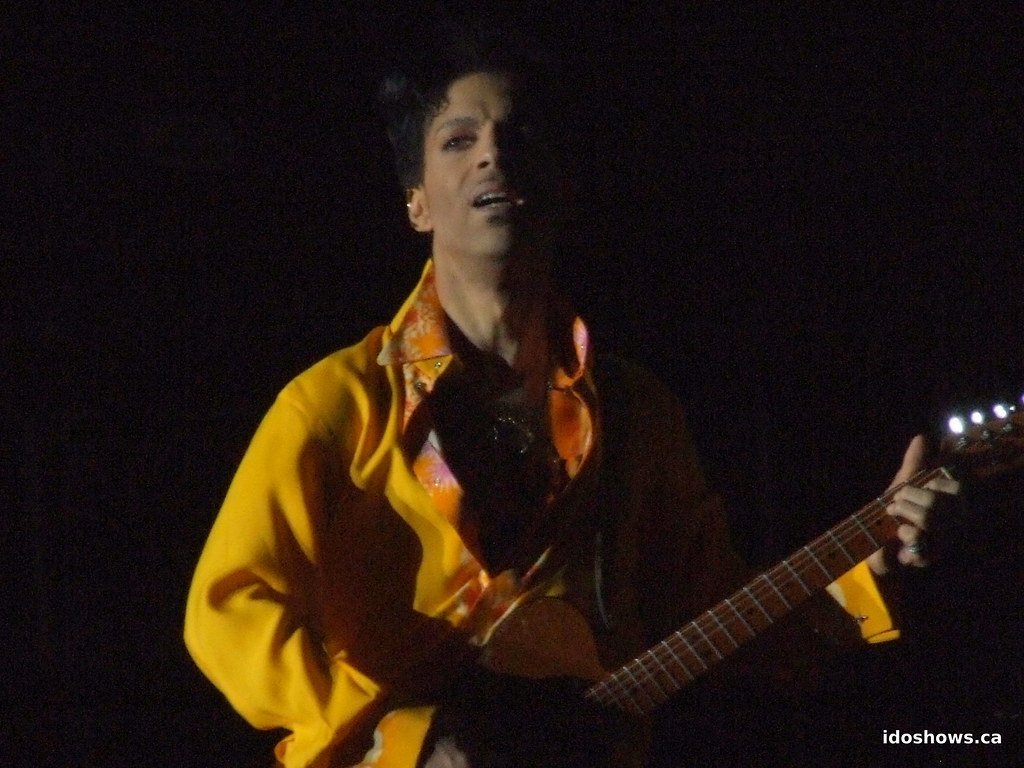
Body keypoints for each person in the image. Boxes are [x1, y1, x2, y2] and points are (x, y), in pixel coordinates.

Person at [184, 24, 961, 768]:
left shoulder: (635, 411)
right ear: (416, 201)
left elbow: (721, 619)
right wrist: (408, 737)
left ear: (561, 183)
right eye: (459, 140)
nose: (493, 156)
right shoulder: (336, 404)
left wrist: (868, 567)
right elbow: (227, 610)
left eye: (516, 139)